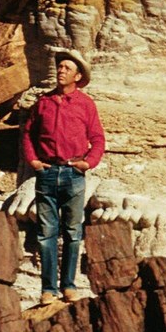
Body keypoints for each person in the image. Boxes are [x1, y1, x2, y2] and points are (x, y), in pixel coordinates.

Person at [22, 48, 105, 305]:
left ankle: (69, 285)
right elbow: (27, 135)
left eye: (67, 68)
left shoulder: (86, 104)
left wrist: (87, 163)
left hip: (74, 175)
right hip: (46, 174)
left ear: (78, 76)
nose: (61, 70)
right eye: (59, 67)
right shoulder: (43, 103)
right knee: (46, 234)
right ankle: (48, 289)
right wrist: (33, 161)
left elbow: (98, 139)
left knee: (72, 232)